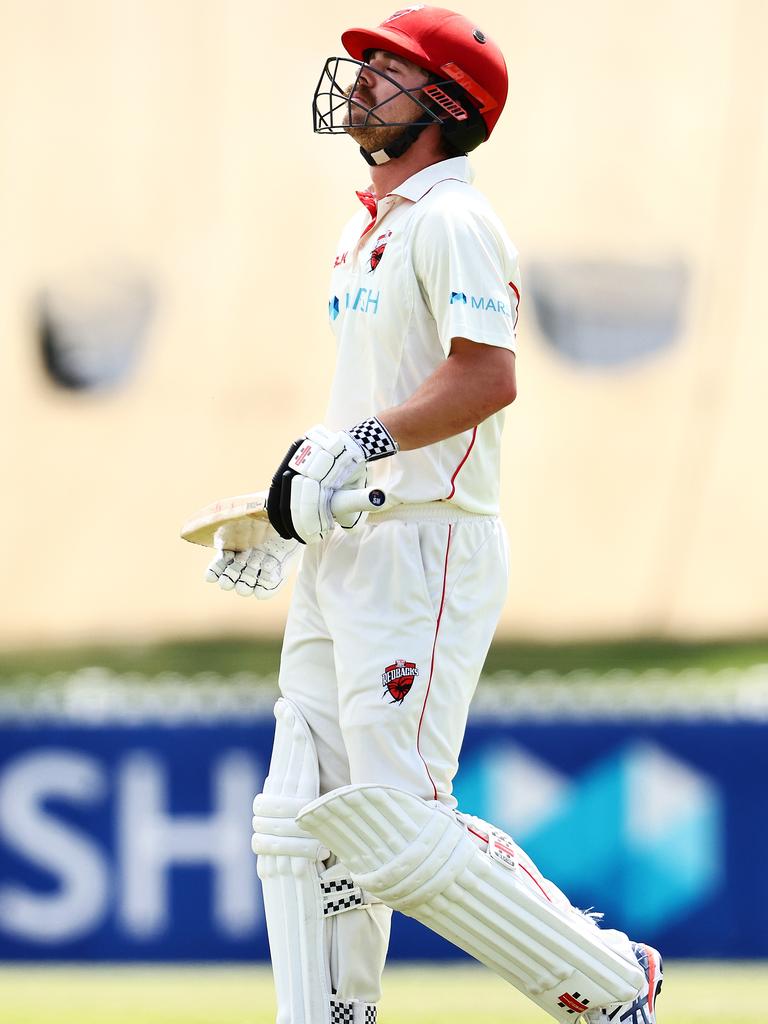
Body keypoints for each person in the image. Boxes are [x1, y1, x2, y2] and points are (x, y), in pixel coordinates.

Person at [207, 6, 663, 1023]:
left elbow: (487, 378)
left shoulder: (456, 220)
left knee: (403, 828)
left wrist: (362, 447)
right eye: (364, 64)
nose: (361, 79)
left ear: (448, 105)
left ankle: (608, 979)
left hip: (429, 548)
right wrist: (293, 512)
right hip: (353, 547)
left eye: (390, 70)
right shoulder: (365, 230)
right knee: (301, 818)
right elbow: (370, 406)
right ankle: (334, 1013)